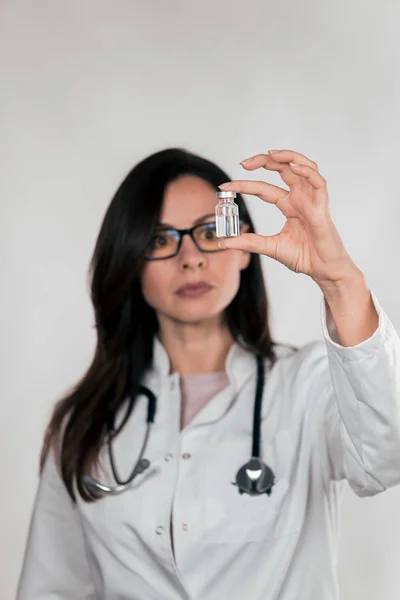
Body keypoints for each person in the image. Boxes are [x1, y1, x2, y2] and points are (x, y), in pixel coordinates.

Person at [17, 148, 400, 600]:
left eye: (210, 231)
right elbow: (50, 588)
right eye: (160, 240)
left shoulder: (308, 384)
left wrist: (340, 281)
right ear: (130, 263)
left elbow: (386, 456)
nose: (191, 258)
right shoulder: (86, 421)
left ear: (244, 250)